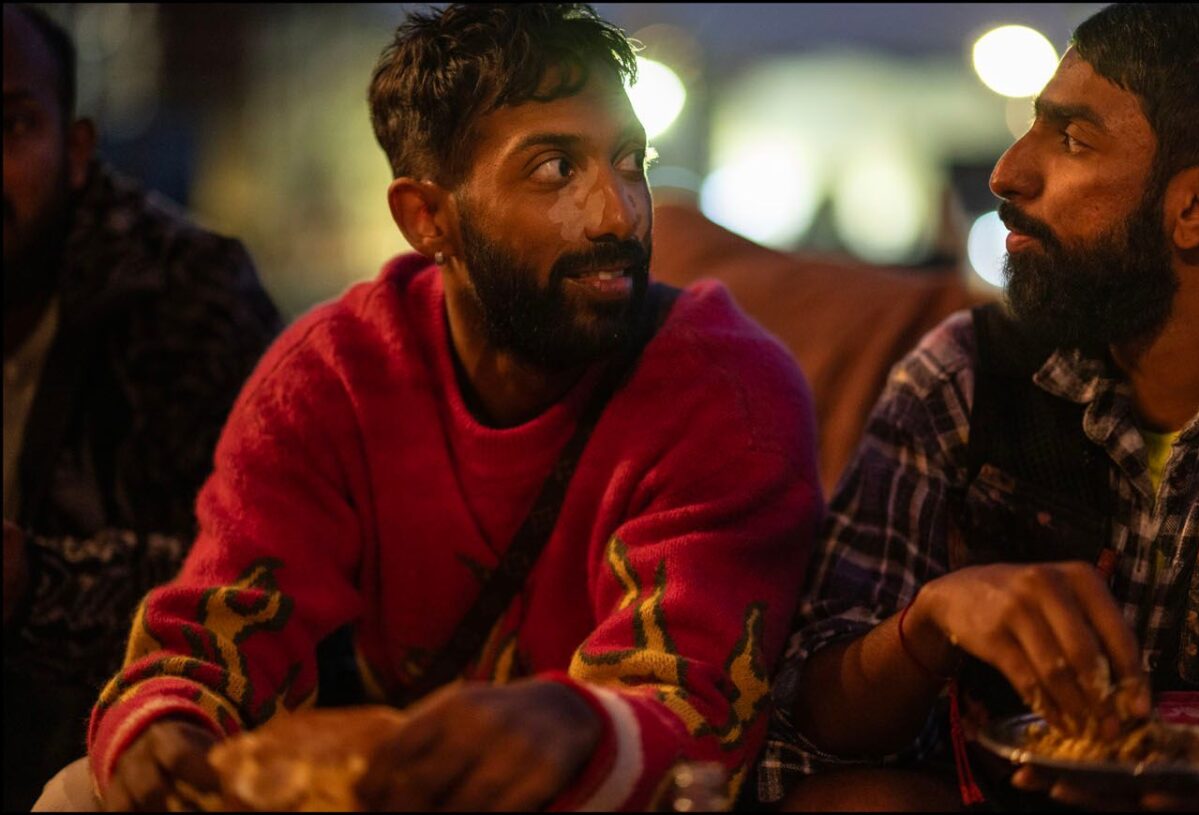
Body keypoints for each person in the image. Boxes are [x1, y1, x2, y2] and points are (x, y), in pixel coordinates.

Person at [61, 3, 821, 812]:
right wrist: (164, 728)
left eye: (629, 161)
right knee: (81, 792)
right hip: (389, 782)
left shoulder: (728, 390)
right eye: (555, 169)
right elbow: (216, 629)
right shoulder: (334, 374)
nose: (619, 212)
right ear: (428, 217)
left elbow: (698, 708)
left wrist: (577, 723)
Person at [759, 3, 1199, 811]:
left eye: (1073, 139)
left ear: (1197, 205)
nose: (1006, 171)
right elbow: (811, 723)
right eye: (1032, 126)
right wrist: (927, 627)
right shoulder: (963, 376)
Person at [2, 4, 282, 809]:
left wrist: (33, 583)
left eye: (11, 125)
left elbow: (256, 587)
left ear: (76, 150)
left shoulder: (185, 297)